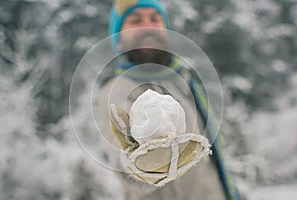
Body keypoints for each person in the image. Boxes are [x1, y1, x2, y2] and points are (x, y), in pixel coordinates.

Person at [99, 0, 241, 199]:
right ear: (119, 38)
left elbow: (214, 157)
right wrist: (140, 165)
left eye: (155, 19)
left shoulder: (187, 80)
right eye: (135, 20)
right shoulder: (118, 90)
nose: (148, 26)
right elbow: (124, 164)